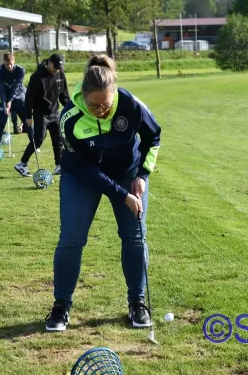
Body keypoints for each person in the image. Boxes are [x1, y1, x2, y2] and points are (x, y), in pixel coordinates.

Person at [45, 55, 161, 332]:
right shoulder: (69, 117)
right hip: (81, 176)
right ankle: (61, 307)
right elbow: (87, 171)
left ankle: (137, 303)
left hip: (128, 172)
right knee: (71, 239)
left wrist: (142, 176)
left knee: (134, 236)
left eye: (106, 106)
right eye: (93, 105)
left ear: (114, 95)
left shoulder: (131, 104)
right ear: (82, 95)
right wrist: (122, 195)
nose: (100, 111)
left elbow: (153, 137)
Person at [14, 54, 70, 177]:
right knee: (38, 139)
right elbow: (29, 98)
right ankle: (22, 164)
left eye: (59, 67)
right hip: (41, 114)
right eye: (55, 67)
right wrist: (28, 116)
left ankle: (59, 165)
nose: (57, 70)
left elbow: (64, 95)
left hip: (55, 112)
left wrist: (70, 109)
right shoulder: (37, 77)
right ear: (49, 63)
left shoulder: (60, 73)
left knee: (58, 139)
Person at [0, 52, 33, 148]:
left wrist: (10, 101)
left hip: (19, 98)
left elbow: (16, 87)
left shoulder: (20, 70)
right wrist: (4, 104)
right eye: (7, 64)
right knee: (1, 123)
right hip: (5, 99)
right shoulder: (0, 73)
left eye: (11, 63)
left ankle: (34, 144)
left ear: (14, 61)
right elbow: (1, 91)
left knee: (27, 122)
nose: (9, 66)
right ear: (4, 62)